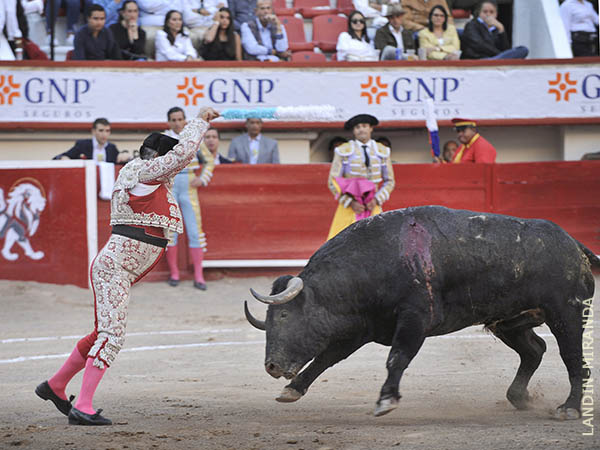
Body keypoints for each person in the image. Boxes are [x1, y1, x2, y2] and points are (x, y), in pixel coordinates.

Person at [35, 107, 219, 426]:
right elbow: (185, 153)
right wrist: (200, 121)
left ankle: (56, 386)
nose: (172, 164)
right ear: (157, 157)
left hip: (116, 265)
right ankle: (85, 405)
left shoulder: (133, 174)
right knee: (112, 334)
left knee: (100, 333)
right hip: (116, 267)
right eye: (168, 156)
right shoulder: (147, 171)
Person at [163, 107, 215, 290]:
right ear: (169, 122)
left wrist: (203, 179)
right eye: (173, 120)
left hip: (189, 187)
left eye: (180, 119)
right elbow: (152, 162)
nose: (177, 123)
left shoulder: (194, 137)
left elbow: (209, 161)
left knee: (194, 232)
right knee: (171, 233)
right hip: (170, 188)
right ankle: (174, 274)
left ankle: (199, 276)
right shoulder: (162, 138)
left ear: (185, 120)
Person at [327, 114, 395, 240]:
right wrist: (351, 202)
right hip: (350, 206)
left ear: (371, 128)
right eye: (357, 127)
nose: (361, 129)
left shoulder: (382, 151)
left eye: (364, 126)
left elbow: (390, 181)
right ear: (353, 131)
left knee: (375, 241)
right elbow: (333, 181)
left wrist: (376, 200)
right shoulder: (343, 150)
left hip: (373, 205)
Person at [461, 0, 528, 60]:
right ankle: (501, 59)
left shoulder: (496, 29)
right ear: (479, 13)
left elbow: (506, 49)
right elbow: (480, 45)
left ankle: (501, 59)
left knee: (523, 49)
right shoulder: (471, 25)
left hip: (496, 58)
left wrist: (501, 29)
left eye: (491, 12)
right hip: (479, 59)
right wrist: (500, 54)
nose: (488, 14)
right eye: (485, 12)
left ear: (496, 14)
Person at [53, 118, 129, 163]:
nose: (104, 134)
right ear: (93, 131)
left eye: (107, 131)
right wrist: (63, 158)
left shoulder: (111, 148)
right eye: (101, 130)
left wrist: (125, 155)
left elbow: (122, 159)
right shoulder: (82, 145)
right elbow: (59, 157)